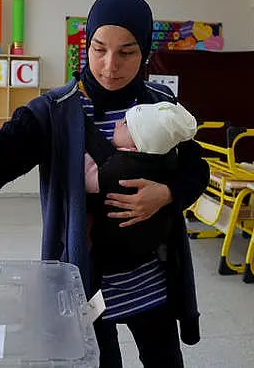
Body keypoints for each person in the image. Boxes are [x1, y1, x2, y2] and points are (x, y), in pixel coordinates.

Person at [0, 0, 209, 367]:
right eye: (98, 49)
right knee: (98, 361)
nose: (110, 65)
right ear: (86, 47)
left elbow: (197, 169)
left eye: (126, 52)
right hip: (85, 280)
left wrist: (168, 193)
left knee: (164, 359)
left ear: (143, 51)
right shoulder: (57, 110)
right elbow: (2, 148)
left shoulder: (163, 107)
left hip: (152, 279)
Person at [84, 101, 198, 276]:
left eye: (125, 124)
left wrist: (168, 193)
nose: (118, 124)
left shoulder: (118, 168)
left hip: (111, 252)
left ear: (136, 143)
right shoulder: (167, 160)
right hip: (151, 247)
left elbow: (85, 179)